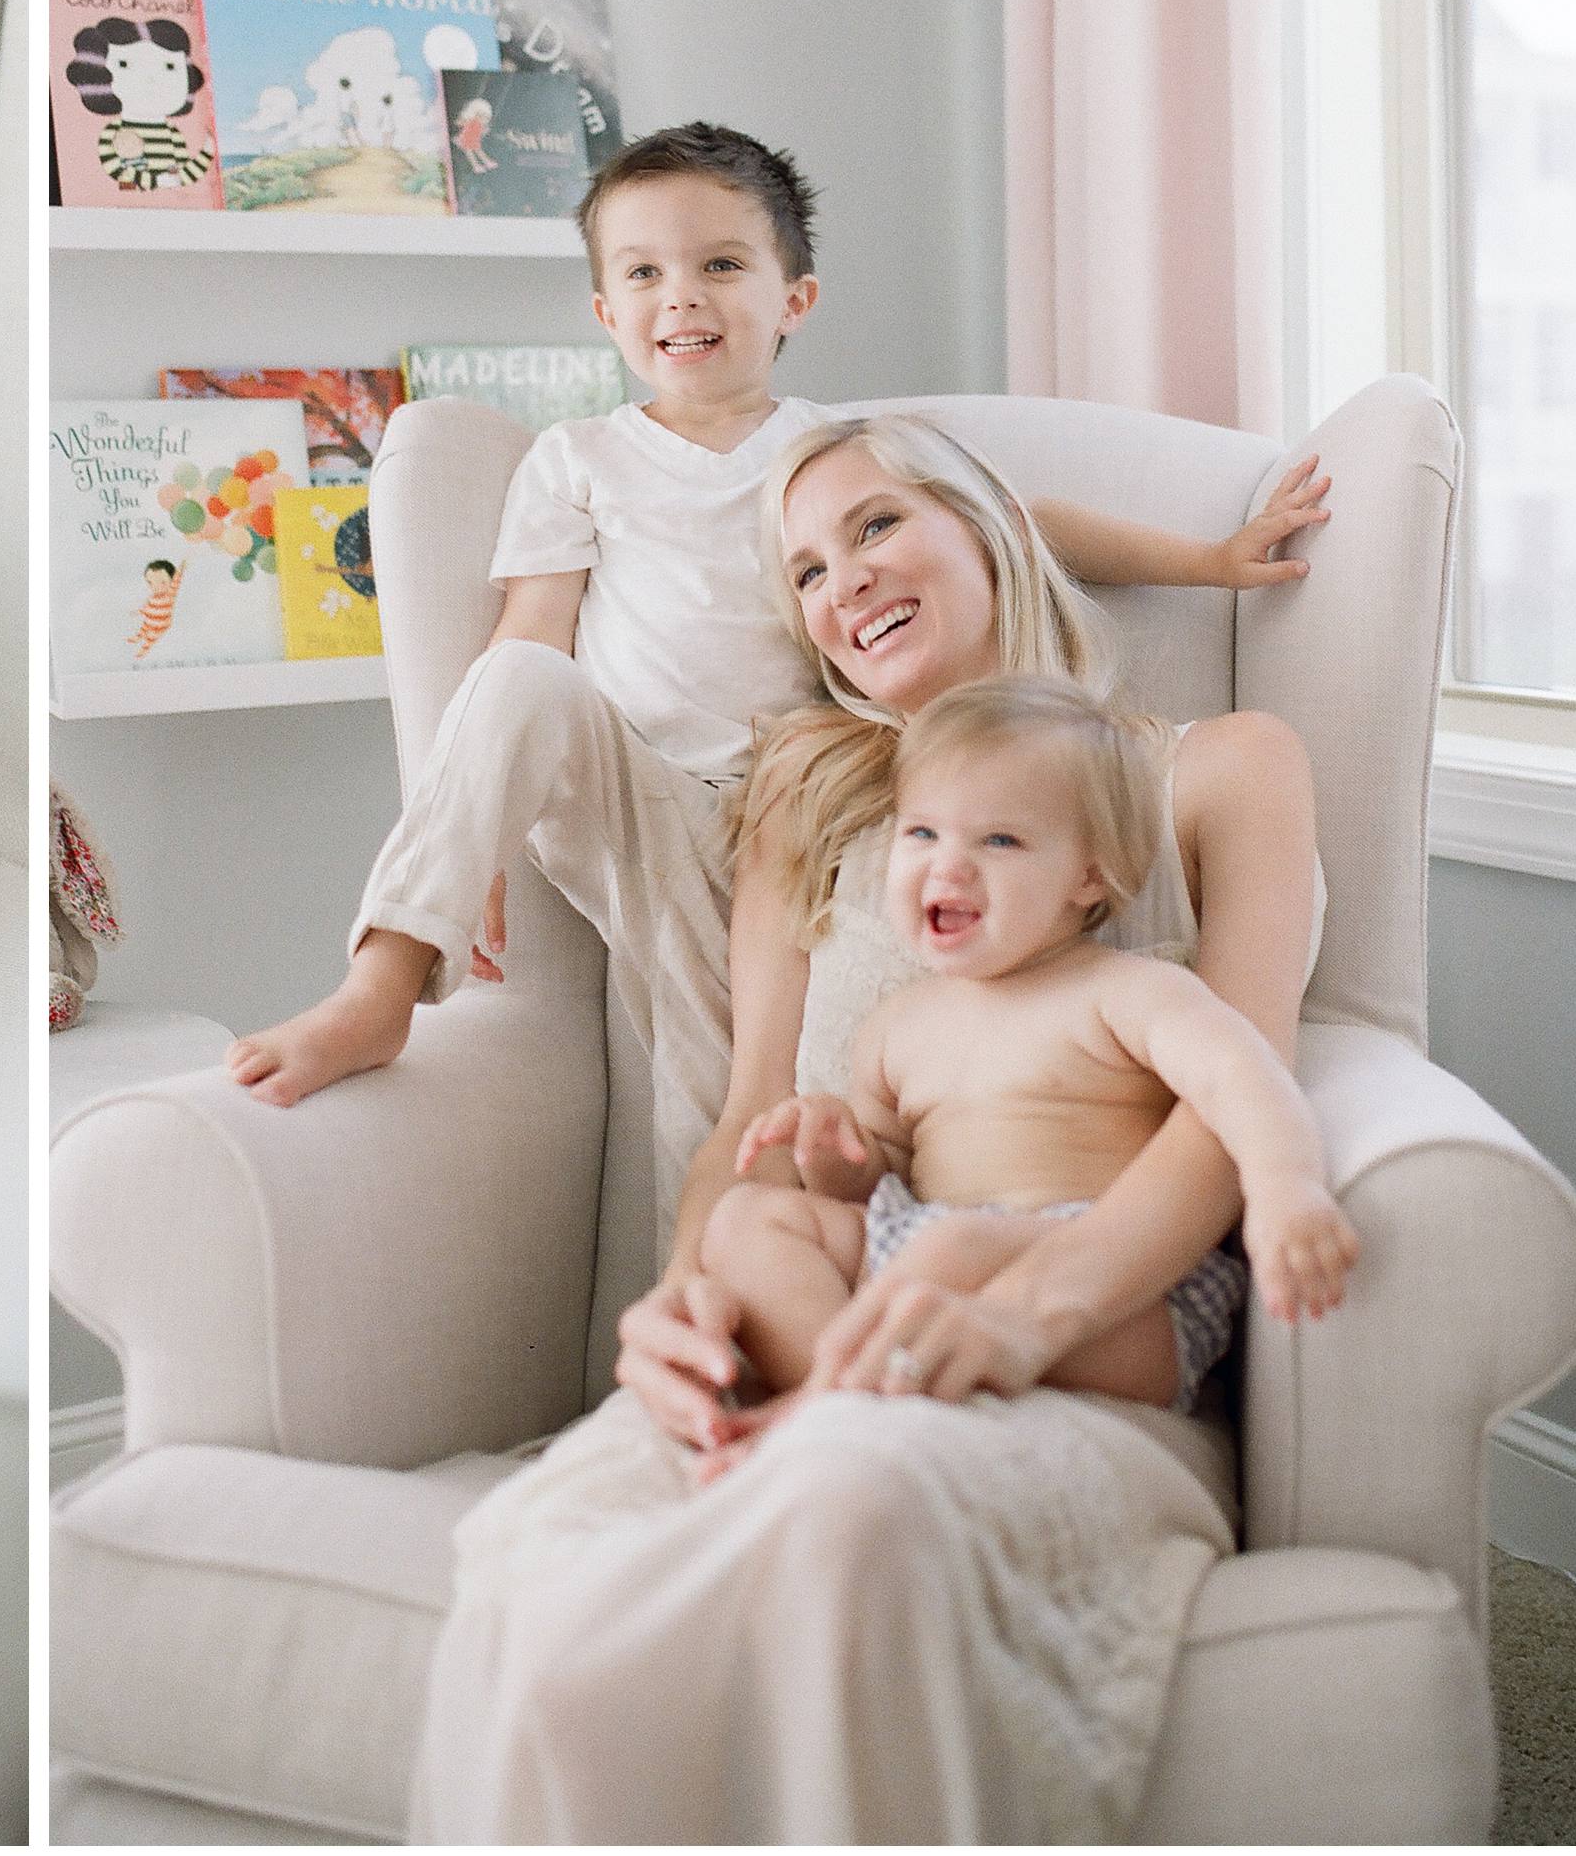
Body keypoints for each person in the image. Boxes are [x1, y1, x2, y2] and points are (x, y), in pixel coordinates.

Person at [411, 411, 1329, 1841]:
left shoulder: (1216, 770)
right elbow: (756, 1128)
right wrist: (673, 1308)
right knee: (550, 1564)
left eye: (878, 526)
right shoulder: (810, 803)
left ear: (992, 524)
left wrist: (1028, 1311)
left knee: (848, 1501)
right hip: (846, 1309)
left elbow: (1237, 1105)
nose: (842, 580)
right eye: (806, 571)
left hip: (1080, 1338)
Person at [226, 121, 1326, 1133]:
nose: (680, 299)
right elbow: (529, 640)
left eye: (719, 265)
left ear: (792, 298)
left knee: (728, 1106)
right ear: (606, 314)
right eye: (642, 274)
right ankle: (378, 987)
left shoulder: (829, 453)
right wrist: (467, 823)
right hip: (644, 800)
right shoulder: (578, 462)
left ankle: (712, 1316)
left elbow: (1017, 525)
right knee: (522, 684)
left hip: (809, 818)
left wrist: (1208, 561)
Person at [701, 672, 1355, 1443]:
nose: (948, 866)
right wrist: (832, 1150)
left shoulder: (1127, 992)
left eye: (999, 840)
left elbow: (1243, 1076)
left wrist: (1287, 1187)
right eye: (921, 833)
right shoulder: (894, 1029)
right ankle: (839, 1380)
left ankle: (822, 1406)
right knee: (744, 1221)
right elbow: (878, 1179)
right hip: (921, 1252)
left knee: (953, 1246)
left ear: (1089, 877)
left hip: (1121, 1299)